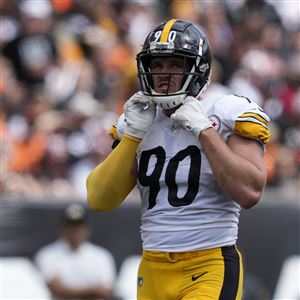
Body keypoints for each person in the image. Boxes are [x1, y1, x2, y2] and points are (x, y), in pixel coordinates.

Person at [86, 19, 271, 299]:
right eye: (156, 65)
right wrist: (133, 136)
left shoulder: (225, 111)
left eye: (174, 64)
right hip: (152, 267)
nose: (163, 74)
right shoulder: (137, 119)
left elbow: (250, 191)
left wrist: (204, 132)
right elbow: (99, 199)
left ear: (198, 69)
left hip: (209, 262)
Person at [34, 203, 116, 299]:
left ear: (87, 229)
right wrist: (94, 291)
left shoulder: (101, 255)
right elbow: (56, 289)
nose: (75, 231)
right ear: (63, 228)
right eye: (70, 226)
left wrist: (70, 291)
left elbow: (106, 290)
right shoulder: (47, 254)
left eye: (78, 226)